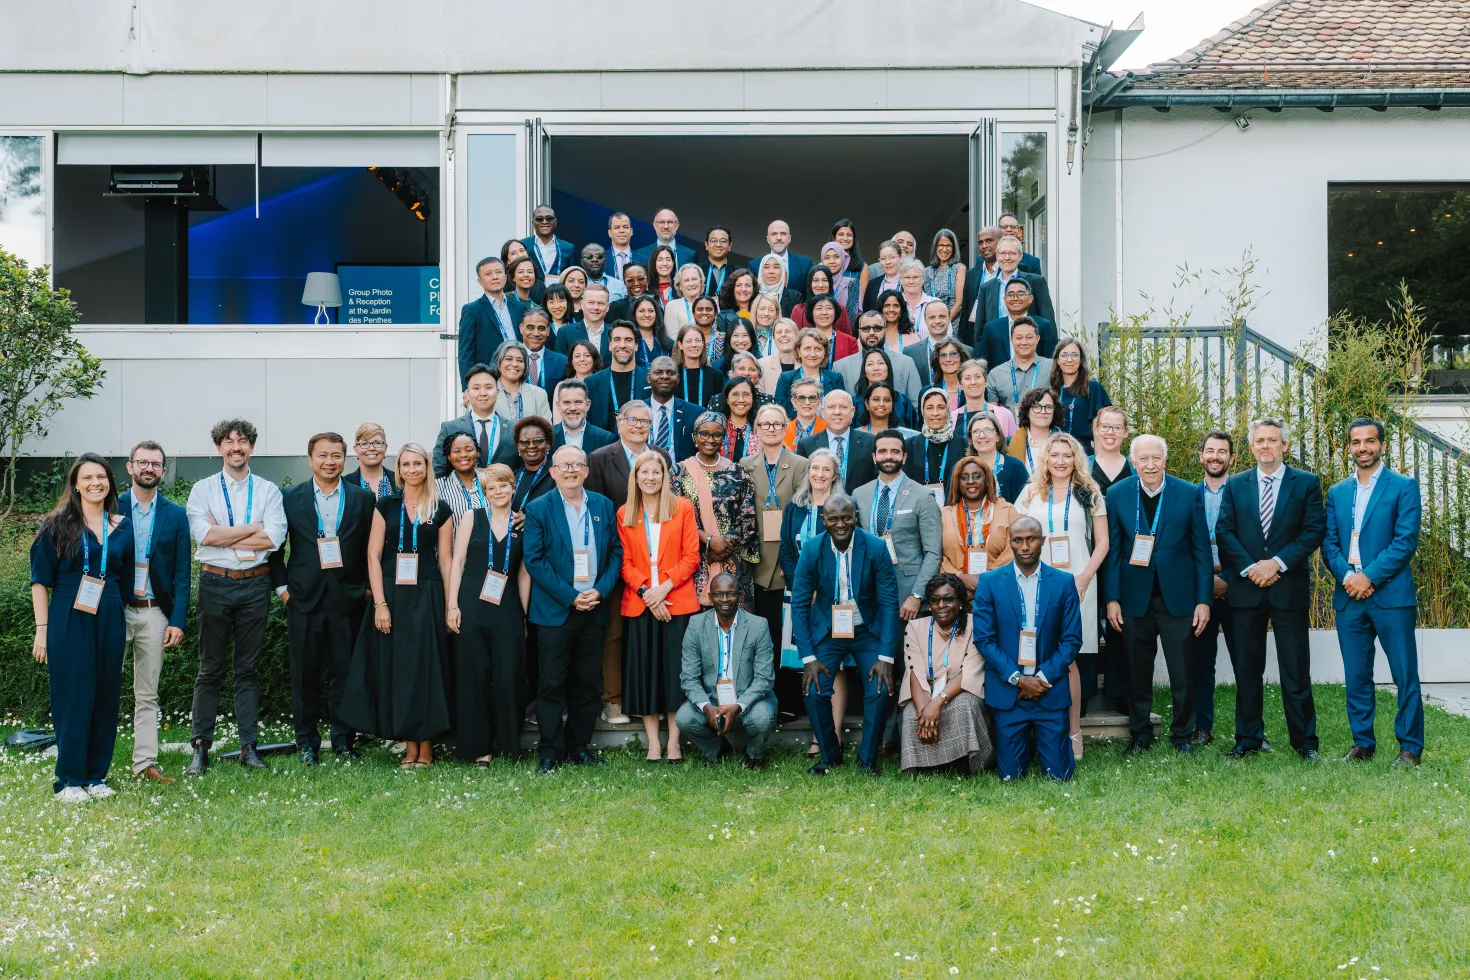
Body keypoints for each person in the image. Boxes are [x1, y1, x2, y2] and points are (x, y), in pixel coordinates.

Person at [1214, 417, 1327, 760]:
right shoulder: (1235, 484)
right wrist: (1252, 568)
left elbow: (1312, 531)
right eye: (1260, 441)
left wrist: (1275, 563)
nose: (1266, 446)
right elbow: (1224, 531)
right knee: (1248, 670)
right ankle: (1247, 740)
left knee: (1295, 669)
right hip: (1246, 590)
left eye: (1272, 440)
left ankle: (1305, 743)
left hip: (1287, 587)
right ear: (1251, 447)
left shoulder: (1306, 483)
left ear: (1284, 445)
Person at [340, 443, 454, 768]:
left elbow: (445, 562)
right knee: (399, 669)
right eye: (406, 464)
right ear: (399, 469)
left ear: (426, 467)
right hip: (392, 593)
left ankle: (427, 748)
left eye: (418, 463)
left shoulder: (440, 508)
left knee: (426, 669)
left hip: (428, 594)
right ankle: (410, 747)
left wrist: (450, 606)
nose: (412, 469)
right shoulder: (385, 505)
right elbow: (372, 557)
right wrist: (380, 604)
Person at [184, 419, 287, 776]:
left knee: (247, 670)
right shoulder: (202, 489)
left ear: (251, 447)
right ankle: (200, 748)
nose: (236, 448)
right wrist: (251, 529)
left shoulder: (269, 491)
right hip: (215, 583)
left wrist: (224, 534)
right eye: (228, 442)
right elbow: (203, 536)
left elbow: (272, 539)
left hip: (255, 585)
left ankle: (249, 747)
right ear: (219, 448)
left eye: (242, 441)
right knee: (209, 669)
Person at [30, 454, 134, 801]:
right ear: (75, 483)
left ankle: (95, 776)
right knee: (74, 695)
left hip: (109, 613)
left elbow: (125, 579)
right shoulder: (57, 524)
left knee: (105, 694)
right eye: (87, 477)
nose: (95, 483)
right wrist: (42, 629)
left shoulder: (122, 524)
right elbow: (40, 582)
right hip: (68, 614)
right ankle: (70, 780)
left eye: (101, 476)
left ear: (109, 482)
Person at [1322, 417, 1424, 765]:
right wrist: (1349, 578)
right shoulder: (1337, 492)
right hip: (1349, 598)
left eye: (1369, 441)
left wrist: (1369, 577)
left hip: (1391, 597)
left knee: (1404, 674)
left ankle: (1410, 747)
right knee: (1357, 675)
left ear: (1382, 445)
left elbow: (1404, 542)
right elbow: (1329, 544)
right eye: (1355, 442)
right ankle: (1362, 743)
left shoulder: (1403, 486)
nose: (1362, 448)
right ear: (1348, 447)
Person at [1103, 434, 1213, 754]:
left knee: (1182, 673)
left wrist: (1203, 601)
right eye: (1143, 459)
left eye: (1156, 458)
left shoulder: (1189, 493)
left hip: (1178, 599)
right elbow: (1113, 552)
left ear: (1165, 460)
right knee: (1138, 673)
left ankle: (1182, 736)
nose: (1150, 465)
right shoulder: (1117, 494)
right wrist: (1112, 598)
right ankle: (1140, 735)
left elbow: (1201, 551)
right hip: (1134, 599)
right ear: (1133, 462)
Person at [270, 433, 375, 763]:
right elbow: (275, 548)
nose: (330, 461)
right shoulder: (289, 497)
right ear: (310, 458)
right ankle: (306, 743)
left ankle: (344, 740)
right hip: (303, 598)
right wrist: (281, 589)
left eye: (337, 455)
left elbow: (373, 548)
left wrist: (368, 588)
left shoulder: (362, 499)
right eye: (323, 455)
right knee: (305, 674)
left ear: (346, 459)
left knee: (346, 673)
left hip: (349, 598)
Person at [523, 446, 624, 773]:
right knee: (552, 684)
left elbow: (616, 556)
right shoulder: (539, 508)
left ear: (585, 471)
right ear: (553, 472)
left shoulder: (603, 506)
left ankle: (579, 748)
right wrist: (570, 596)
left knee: (586, 684)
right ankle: (551, 752)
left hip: (594, 607)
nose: (570, 470)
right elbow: (534, 561)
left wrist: (600, 590)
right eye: (564, 465)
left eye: (577, 465)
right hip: (557, 611)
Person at [791, 493, 900, 775]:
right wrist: (808, 658)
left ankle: (867, 760)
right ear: (824, 520)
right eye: (834, 519)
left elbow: (889, 603)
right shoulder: (812, 550)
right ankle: (830, 755)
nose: (841, 524)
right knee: (814, 689)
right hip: (829, 628)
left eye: (846, 518)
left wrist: (886, 656)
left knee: (879, 686)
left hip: (867, 629)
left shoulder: (876, 548)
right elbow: (800, 605)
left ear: (855, 518)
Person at [1016, 432, 1108, 759]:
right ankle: (1035, 731)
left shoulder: (1090, 493)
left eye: (1066, 455)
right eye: (1054, 455)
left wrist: (1084, 578)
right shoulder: (1029, 494)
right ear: (1046, 459)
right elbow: (1017, 536)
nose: (1060, 461)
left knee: (1068, 659)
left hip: (1078, 581)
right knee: (1036, 652)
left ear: (1076, 459)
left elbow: (1103, 544)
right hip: (1036, 582)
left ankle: (1073, 732)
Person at [973, 517, 1083, 780]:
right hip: (1010, 692)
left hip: (1049, 689)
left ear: (1042, 541)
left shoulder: (1064, 582)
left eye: (1031, 539)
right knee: (1010, 776)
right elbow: (984, 640)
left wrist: (1040, 679)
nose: (1024, 546)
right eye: (1017, 540)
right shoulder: (989, 582)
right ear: (1010, 542)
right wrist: (1019, 680)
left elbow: (1071, 641)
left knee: (1059, 776)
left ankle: (1047, 746)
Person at [587, 401, 671, 726]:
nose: (639, 425)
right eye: (633, 419)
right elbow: (596, 511)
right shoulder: (600, 457)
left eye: (645, 420)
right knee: (614, 632)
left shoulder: (661, 456)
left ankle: (650, 698)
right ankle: (613, 700)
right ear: (619, 422)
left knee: (651, 632)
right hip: (616, 556)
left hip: (656, 562)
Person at [447, 463, 533, 765]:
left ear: (512, 487)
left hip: (507, 606)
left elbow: (524, 574)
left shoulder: (522, 524)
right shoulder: (472, 517)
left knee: (509, 675)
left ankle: (509, 746)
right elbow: (457, 562)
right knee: (474, 676)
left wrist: (522, 615)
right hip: (471, 603)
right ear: (485, 492)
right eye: (491, 487)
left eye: (503, 485)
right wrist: (452, 606)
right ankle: (478, 747)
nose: (497, 491)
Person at [617, 451, 701, 762]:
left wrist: (663, 587)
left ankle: (674, 742)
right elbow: (624, 563)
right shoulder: (625, 512)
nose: (650, 478)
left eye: (656, 472)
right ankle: (653, 742)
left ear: (665, 476)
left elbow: (691, 557)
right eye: (644, 473)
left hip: (676, 600)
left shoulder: (682, 508)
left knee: (674, 675)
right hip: (641, 604)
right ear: (635, 478)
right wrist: (647, 592)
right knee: (646, 674)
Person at [119, 442, 189, 784]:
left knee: (147, 694)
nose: (149, 468)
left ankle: (144, 764)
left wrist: (177, 619)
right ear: (130, 467)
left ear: (163, 471)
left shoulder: (175, 514)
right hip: (114, 610)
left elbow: (182, 573)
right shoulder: (109, 506)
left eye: (156, 464)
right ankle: (92, 760)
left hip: (154, 612)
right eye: (142, 462)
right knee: (101, 686)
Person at [676, 571, 779, 769]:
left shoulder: (758, 626)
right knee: (684, 718)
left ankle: (754, 755)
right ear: (710, 596)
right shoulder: (696, 625)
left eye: (730, 594)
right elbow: (688, 677)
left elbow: (764, 679)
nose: (725, 600)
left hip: (750, 698)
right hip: (711, 697)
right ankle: (719, 750)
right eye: (718, 594)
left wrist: (738, 706)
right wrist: (707, 708)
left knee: (761, 719)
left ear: (740, 596)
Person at [898, 573, 994, 773]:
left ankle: (964, 765)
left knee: (965, 705)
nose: (941, 605)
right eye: (935, 600)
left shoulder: (975, 625)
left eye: (948, 599)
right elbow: (914, 672)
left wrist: (937, 702)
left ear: (960, 601)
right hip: (927, 691)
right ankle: (924, 766)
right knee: (911, 713)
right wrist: (926, 711)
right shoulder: (915, 627)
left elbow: (969, 672)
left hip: (961, 689)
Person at [778, 449, 844, 729]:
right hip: (799, 596)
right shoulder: (795, 506)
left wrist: (821, 588)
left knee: (835, 665)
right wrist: (801, 586)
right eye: (814, 468)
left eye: (826, 469)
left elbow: (845, 552)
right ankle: (817, 728)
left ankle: (834, 733)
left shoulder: (843, 506)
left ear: (835, 475)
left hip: (833, 598)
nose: (819, 474)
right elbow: (785, 550)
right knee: (807, 660)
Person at [672, 411, 760, 607]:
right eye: (704, 433)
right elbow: (675, 517)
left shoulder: (737, 472)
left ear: (724, 438)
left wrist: (724, 547)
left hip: (733, 559)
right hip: (693, 559)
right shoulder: (678, 472)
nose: (710, 440)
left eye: (717, 434)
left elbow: (747, 516)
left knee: (737, 622)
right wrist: (709, 542)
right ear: (695, 436)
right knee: (699, 625)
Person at [740, 404, 807, 656]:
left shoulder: (801, 464)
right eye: (765, 424)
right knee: (761, 633)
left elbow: (802, 514)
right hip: (756, 560)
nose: (771, 429)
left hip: (786, 558)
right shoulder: (745, 464)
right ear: (756, 429)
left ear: (785, 428)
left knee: (785, 635)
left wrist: (792, 559)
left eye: (777, 424)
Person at [1189, 429, 1237, 745]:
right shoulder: (1187, 495)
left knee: (1246, 662)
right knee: (1200, 662)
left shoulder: (1244, 493)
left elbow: (1254, 543)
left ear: (1232, 459)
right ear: (1201, 456)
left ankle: (1251, 731)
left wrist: (1228, 579)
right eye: (1210, 450)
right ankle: (1202, 728)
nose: (1215, 456)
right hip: (1199, 589)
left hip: (1238, 585)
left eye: (1222, 451)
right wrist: (1206, 583)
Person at [940, 456, 1018, 597]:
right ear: (957, 482)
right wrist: (961, 577)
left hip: (999, 588)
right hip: (955, 592)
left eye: (977, 476)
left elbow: (1014, 549)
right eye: (964, 477)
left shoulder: (1007, 510)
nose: (971, 481)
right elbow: (936, 555)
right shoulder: (943, 515)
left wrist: (987, 579)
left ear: (987, 480)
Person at [433, 364, 517, 476]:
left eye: (488, 387)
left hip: (502, 492)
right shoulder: (450, 428)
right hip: (460, 492)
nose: (483, 393)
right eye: (476, 388)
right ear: (467, 393)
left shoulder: (513, 428)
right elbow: (438, 470)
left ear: (497, 392)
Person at [458, 257, 525, 387]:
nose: (495, 277)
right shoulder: (472, 310)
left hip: (517, 374)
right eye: (488, 274)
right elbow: (465, 354)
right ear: (480, 281)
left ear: (505, 277)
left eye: (499, 272)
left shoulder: (518, 307)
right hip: (488, 379)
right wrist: (468, 387)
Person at [971, 236, 1055, 336]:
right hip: (996, 347)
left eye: (1012, 253)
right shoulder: (986, 287)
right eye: (1003, 253)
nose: (1007, 258)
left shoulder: (1036, 282)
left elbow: (1048, 321)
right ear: (997, 256)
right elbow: (980, 328)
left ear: (1020, 256)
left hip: (1028, 346)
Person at [837, 311, 923, 406]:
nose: (871, 333)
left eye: (877, 328)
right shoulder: (841, 367)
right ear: (859, 332)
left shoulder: (906, 363)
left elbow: (916, 406)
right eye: (866, 329)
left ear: (885, 331)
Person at [799, 389, 876, 490]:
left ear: (853, 412)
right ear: (822, 412)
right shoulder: (806, 445)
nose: (837, 412)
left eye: (843, 407)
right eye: (831, 407)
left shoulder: (871, 442)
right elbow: (802, 484)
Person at [584, 321, 651, 432]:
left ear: (636, 346)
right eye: (617, 339)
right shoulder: (592, 383)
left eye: (628, 340)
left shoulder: (649, 379)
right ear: (610, 345)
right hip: (604, 447)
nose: (622, 345)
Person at [903, 389, 969, 495]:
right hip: (920, 508)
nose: (935, 413)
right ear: (922, 411)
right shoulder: (909, 446)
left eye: (941, 407)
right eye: (929, 408)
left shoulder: (964, 444)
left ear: (948, 410)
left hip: (955, 507)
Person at [1050, 339, 1110, 453]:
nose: (1069, 359)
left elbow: (1102, 427)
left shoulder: (1092, 387)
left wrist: (1097, 460)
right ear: (1057, 360)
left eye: (1075, 355)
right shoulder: (1052, 391)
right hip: (1057, 452)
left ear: (1081, 359)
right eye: (1064, 355)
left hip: (1084, 452)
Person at [973, 277, 1057, 358]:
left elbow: (1049, 359)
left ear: (1030, 298)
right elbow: (983, 360)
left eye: (1020, 294)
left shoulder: (1043, 326)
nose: (1015, 298)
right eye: (1010, 294)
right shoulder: (991, 328)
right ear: (1005, 299)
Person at [773, 328, 844, 416]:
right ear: (798, 351)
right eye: (807, 349)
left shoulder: (836, 379)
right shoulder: (786, 379)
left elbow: (842, 410)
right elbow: (780, 414)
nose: (812, 354)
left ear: (824, 353)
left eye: (818, 349)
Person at [986, 318, 1054, 409]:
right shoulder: (996, 374)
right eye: (1019, 338)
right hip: (1010, 423)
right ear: (1011, 340)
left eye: (1029, 337)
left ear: (1037, 339)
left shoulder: (1052, 367)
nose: (1024, 342)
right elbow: (994, 413)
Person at [644, 355, 699, 461]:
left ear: (678, 379)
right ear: (648, 378)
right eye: (658, 372)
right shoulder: (634, 411)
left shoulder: (696, 414)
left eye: (671, 372)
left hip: (682, 475)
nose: (665, 376)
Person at [903, 302, 968, 390]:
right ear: (925, 320)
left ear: (949, 318)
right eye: (932, 317)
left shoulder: (967, 351)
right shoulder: (910, 352)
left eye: (942, 316)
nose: (937, 321)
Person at [966, 412, 1028, 503]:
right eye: (976, 431)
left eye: (988, 430)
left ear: (998, 436)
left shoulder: (1015, 466)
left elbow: (1027, 503)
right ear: (971, 439)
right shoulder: (962, 469)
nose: (982, 436)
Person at [490, 340, 553, 425]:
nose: (515, 364)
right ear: (498, 362)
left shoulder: (539, 395)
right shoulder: (485, 393)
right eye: (509, 359)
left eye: (520, 360)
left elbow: (547, 432)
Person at [954, 359, 1017, 438]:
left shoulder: (1005, 415)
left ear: (986, 381)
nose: (973, 382)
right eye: (967, 378)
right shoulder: (952, 418)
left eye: (978, 377)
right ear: (960, 385)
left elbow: (1011, 447)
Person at [552, 378, 616, 455]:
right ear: (558, 405)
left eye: (578, 402)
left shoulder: (606, 440)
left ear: (588, 405)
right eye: (567, 402)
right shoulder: (547, 437)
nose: (573, 408)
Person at [1007, 387, 1061, 477]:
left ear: (1054, 412)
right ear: (1027, 412)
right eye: (1036, 407)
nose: (1043, 411)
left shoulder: (1067, 443)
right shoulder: (1007, 444)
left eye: (1048, 407)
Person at [552, 281, 613, 360]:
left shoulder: (615, 333)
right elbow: (559, 365)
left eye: (601, 303)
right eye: (591, 302)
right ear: (582, 305)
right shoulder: (565, 333)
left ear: (607, 307)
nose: (596, 307)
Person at [794, 291, 859, 363]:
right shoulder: (802, 341)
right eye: (819, 308)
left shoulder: (850, 342)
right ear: (811, 313)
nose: (824, 312)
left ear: (835, 312)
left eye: (829, 308)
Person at [512, 416, 557, 515]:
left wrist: (533, 519)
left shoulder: (558, 475)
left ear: (548, 444)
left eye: (537, 441)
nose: (531, 446)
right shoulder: (513, 477)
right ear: (518, 446)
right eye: (525, 442)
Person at [517, 306, 567, 393]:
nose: (536, 333)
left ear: (548, 331)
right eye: (530, 328)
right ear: (521, 329)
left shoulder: (562, 362)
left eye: (541, 328)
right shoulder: (506, 359)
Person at [674, 323, 724, 410]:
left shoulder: (716, 375)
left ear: (703, 343)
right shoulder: (673, 375)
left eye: (698, 340)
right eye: (688, 341)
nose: (694, 345)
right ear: (680, 344)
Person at [748, 219, 813, 285]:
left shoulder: (805, 264)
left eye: (783, 234)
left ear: (789, 239)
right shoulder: (755, 265)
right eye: (774, 234)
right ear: (768, 239)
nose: (779, 238)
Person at [522, 204, 574, 281]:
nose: (544, 222)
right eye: (539, 219)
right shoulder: (523, 245)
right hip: (530, 292)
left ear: (555, 222)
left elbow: (572, 276)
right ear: (533, 223)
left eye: (549, 218)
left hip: (558, 292)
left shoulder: (568, 248)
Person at [1090, 406, 1135, 493]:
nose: (1110, 432)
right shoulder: (1083, 465)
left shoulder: (1135, 468)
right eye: (1105, 426)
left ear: (1125, 432)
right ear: (1096, 429)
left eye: (1117, 427)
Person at [924, 228, 967, 321]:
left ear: (954, 248)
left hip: (953, 322)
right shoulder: (927, 271)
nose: (944, 249)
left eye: (948, 245)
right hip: (932, 322)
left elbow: (959, 304)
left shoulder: (959, 268)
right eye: (941, 245)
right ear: (935, 247)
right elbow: (926, 302)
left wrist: (945, 323)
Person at [659, 264, 709, 341]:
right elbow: (672, 338)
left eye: (694, 279)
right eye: (686, 280)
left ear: (701, 281)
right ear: (679, 286)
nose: (691, 284)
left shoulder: (711, 303)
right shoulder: (672, 306)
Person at [819, 240, 863, 325]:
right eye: (827, 257)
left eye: (836, 257)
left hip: (844, 332)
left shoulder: (852, 283)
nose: (832, 261)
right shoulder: (817, 284)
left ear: (843, 258)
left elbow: (851, 316)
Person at [346, 422, 395, 499]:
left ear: (385, 448)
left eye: (377, 443)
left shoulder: (400, 481)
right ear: (356, 449)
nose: (371, 448)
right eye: (365, 443)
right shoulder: (345, 484)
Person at [717, 376, 757, 460]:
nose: (741, 400)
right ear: (727, 399)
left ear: (753, 398)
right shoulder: (717, 428)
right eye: (735, 394)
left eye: (746, 395)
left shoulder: (761, 429)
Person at [628, 294, 671, 369]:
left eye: (651, 311)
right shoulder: (628, 343)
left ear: (656, 314)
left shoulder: (669, 344)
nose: (647, 315)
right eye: (641, 311)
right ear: (634, 314)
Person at [783, 377, 826, 450]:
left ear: (819, 401)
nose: (807, 403)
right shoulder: (782, 430)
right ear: (793, 402)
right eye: (801, 398)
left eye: (812, 398)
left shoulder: (828, 430)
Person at [898, 257, 941, 330]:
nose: (911, 281)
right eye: (907, 277)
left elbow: (946, 336)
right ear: (901, 280)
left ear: (923, 279)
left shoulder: (936, 304)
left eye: (915, 277)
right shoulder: (895, 305)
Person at [759, 318, 800, 396]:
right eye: (779, 332)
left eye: (788, 331)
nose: (783, 335)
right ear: (774, 339)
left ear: (797, 336)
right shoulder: (762, 365)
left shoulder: (806, 365)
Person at [756, 252, 803, 317]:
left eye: (776, 267)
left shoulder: (795, 297)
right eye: (766, 267)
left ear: (783, 271)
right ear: (761, 271)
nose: (771, 271)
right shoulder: (754, 295)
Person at [862, 240, 903, 311]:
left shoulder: (910, 282)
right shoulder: (872, 284)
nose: (888, 262)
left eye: (892, 257)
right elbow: (866, 311)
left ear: (901, 258)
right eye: (883, 258)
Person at [875, 289, 915, 357]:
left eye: (896, 306)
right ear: (881, 309)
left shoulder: (913, 338)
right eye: (887, 306)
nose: (891, 309)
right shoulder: (871, 335)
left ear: (902, 310)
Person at [928, 339, 968, 407]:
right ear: (938, 360)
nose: (948, 359)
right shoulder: (928, 391)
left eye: (953, 354)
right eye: (943, 355)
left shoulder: (973, 389)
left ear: (961, 357)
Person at [745, 290, 781, 361]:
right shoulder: (746, 334)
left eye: (771, 310)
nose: (766, 313)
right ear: (755, 311)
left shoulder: (781, 337)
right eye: (762, 309)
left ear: (776, 314)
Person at [702, 225, 737, 296]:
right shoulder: (696, 270)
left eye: (723, 241)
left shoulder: (738, 272)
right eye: (713, 240)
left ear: (730, 246)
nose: (718, 244)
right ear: (706, 245)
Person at [606, 211, 636, 280]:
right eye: (616, 227)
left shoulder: (645, 260)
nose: (621, 231)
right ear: (609, 233)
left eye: (625, 227)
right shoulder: (601, 259)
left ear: (631, 231)